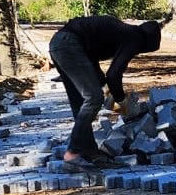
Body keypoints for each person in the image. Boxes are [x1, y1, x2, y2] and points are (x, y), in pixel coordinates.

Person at [49, 16, 162, 172]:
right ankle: (73, 154)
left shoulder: (121, 32)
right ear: (148, 43)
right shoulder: (135, 38)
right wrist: (123, 103)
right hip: (70, 45)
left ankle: (89, 152)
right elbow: (114, 75)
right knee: (93, 98)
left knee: (81, 103)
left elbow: (96, 68)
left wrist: (105, 88)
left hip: (60, 44)